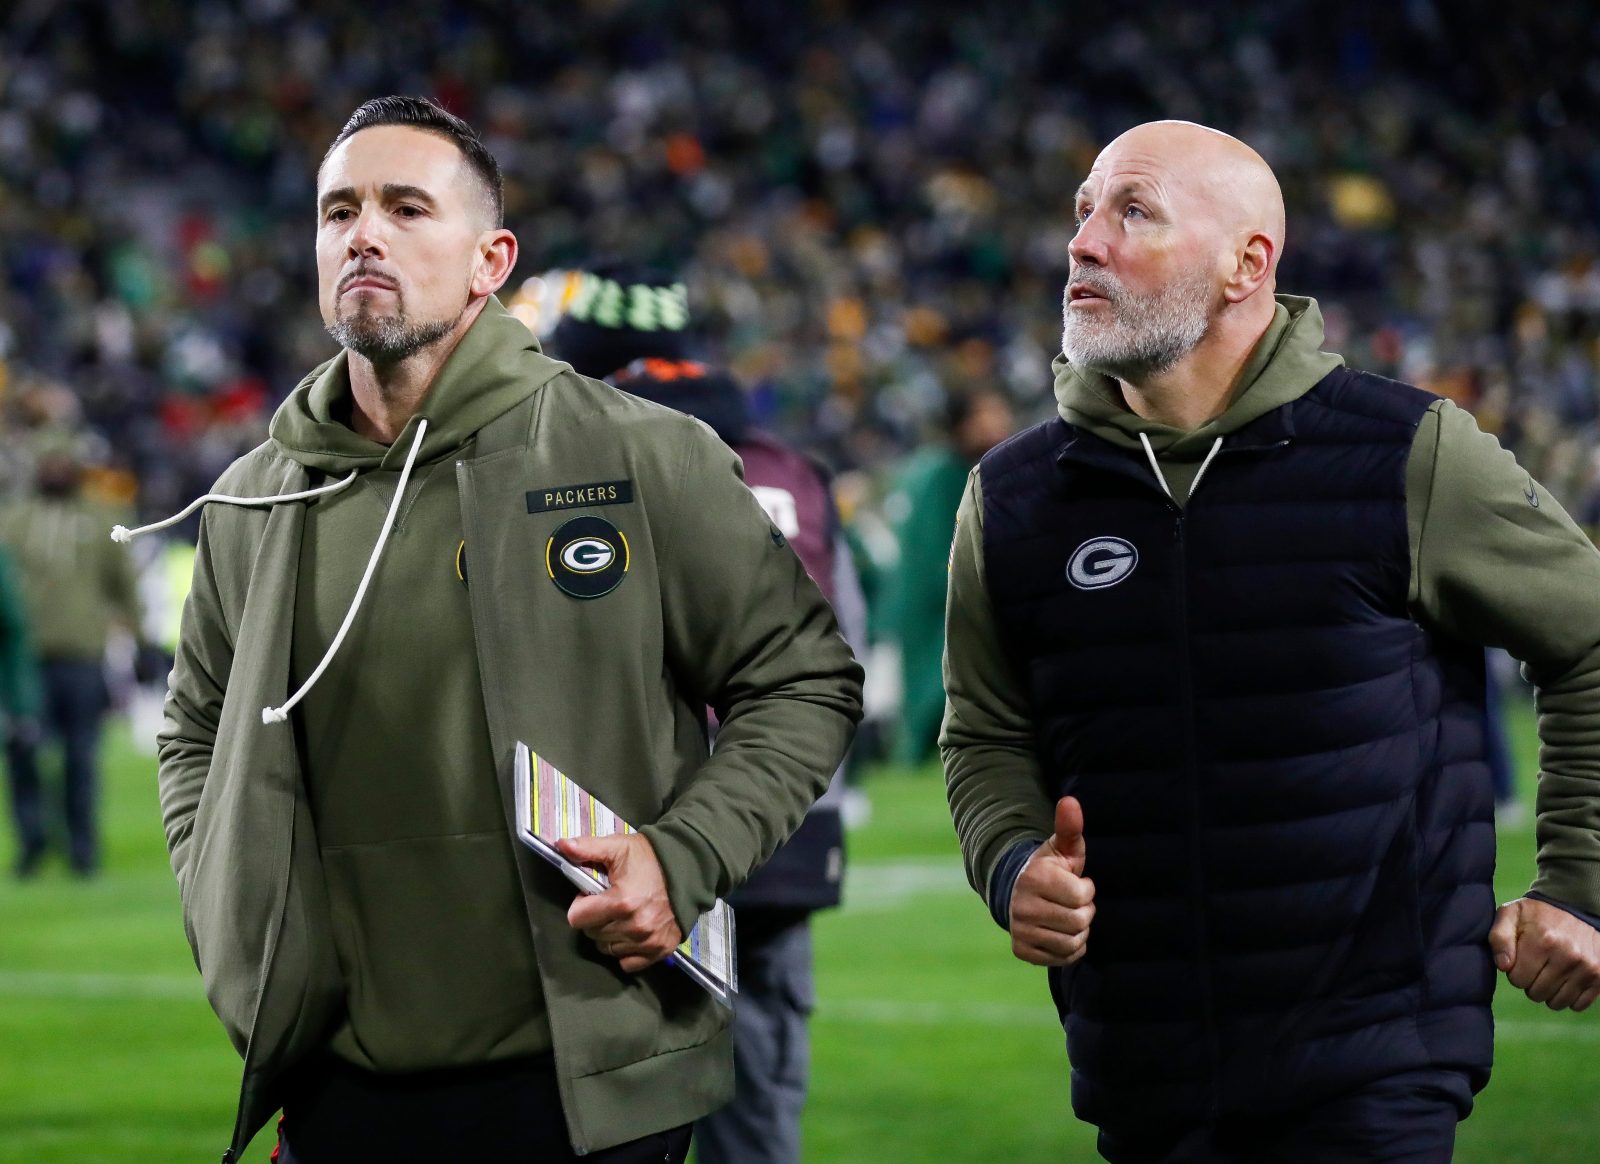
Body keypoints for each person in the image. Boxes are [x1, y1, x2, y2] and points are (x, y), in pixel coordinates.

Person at [142, 97, 862, 1164]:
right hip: (336, 1091)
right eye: (338, 211)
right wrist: (221, 897)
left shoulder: (638, 456)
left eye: (404, 207)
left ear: (491, 261)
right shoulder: (254, 499)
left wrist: (682, 857)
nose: (364, 234)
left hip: (590, 1088)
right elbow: (194, 729)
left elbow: (802, 678)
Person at [942, 119, 1600, 1163]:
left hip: (1374, 1063)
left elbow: (1590, 637)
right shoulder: (1014, 497)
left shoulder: (1405, 454)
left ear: (1247, 264)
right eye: (1081, 212)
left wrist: (1580, 884)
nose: (1082, 242)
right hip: (1140, 1071)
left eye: (1132, 211)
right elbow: (982, 730)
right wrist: (1009, 860)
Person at [550, 266, 868, 1164]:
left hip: (628, 834)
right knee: (758, 1113)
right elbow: (837, 651)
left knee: (610, 1116)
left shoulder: (586, 457)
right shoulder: (794, 469)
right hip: (782, 820)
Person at [0, 450, 141, 877]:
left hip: (83, 656)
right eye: (49, 461)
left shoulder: (102, 520)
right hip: (25, 661)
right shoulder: (15, 520)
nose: (55, 470)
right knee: (22, 754)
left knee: (82, 756)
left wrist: (141, 640)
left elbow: (125, 586)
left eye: (63, 461)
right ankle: (32, 844)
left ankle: (83, 849)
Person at [882, 388, 1012, 766]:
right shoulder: (939, 474)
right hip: (935, 601)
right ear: (961, 424)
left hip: (950, 596)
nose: (997, 421)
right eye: (986, 412)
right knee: (934, 684)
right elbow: (931, 554)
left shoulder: (983, 466)